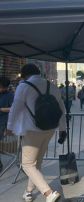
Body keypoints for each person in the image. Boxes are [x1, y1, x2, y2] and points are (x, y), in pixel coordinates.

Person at [6, 63, 67, 202]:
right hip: (50, 129)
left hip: (32, 131)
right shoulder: (51, 86)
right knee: (36, 163)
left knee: (27, 164)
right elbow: (61, 110)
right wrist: (63, 129)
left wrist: (10, 127)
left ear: (25, 75)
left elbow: (16, 108)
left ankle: (49, 194)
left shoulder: (24, 86)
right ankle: (28, 192)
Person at [0, 77, 14, 172]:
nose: (1, 89)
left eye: (3, 87)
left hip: (2, 123)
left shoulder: (10, 95)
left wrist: (1, 109)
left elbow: (13, 108)